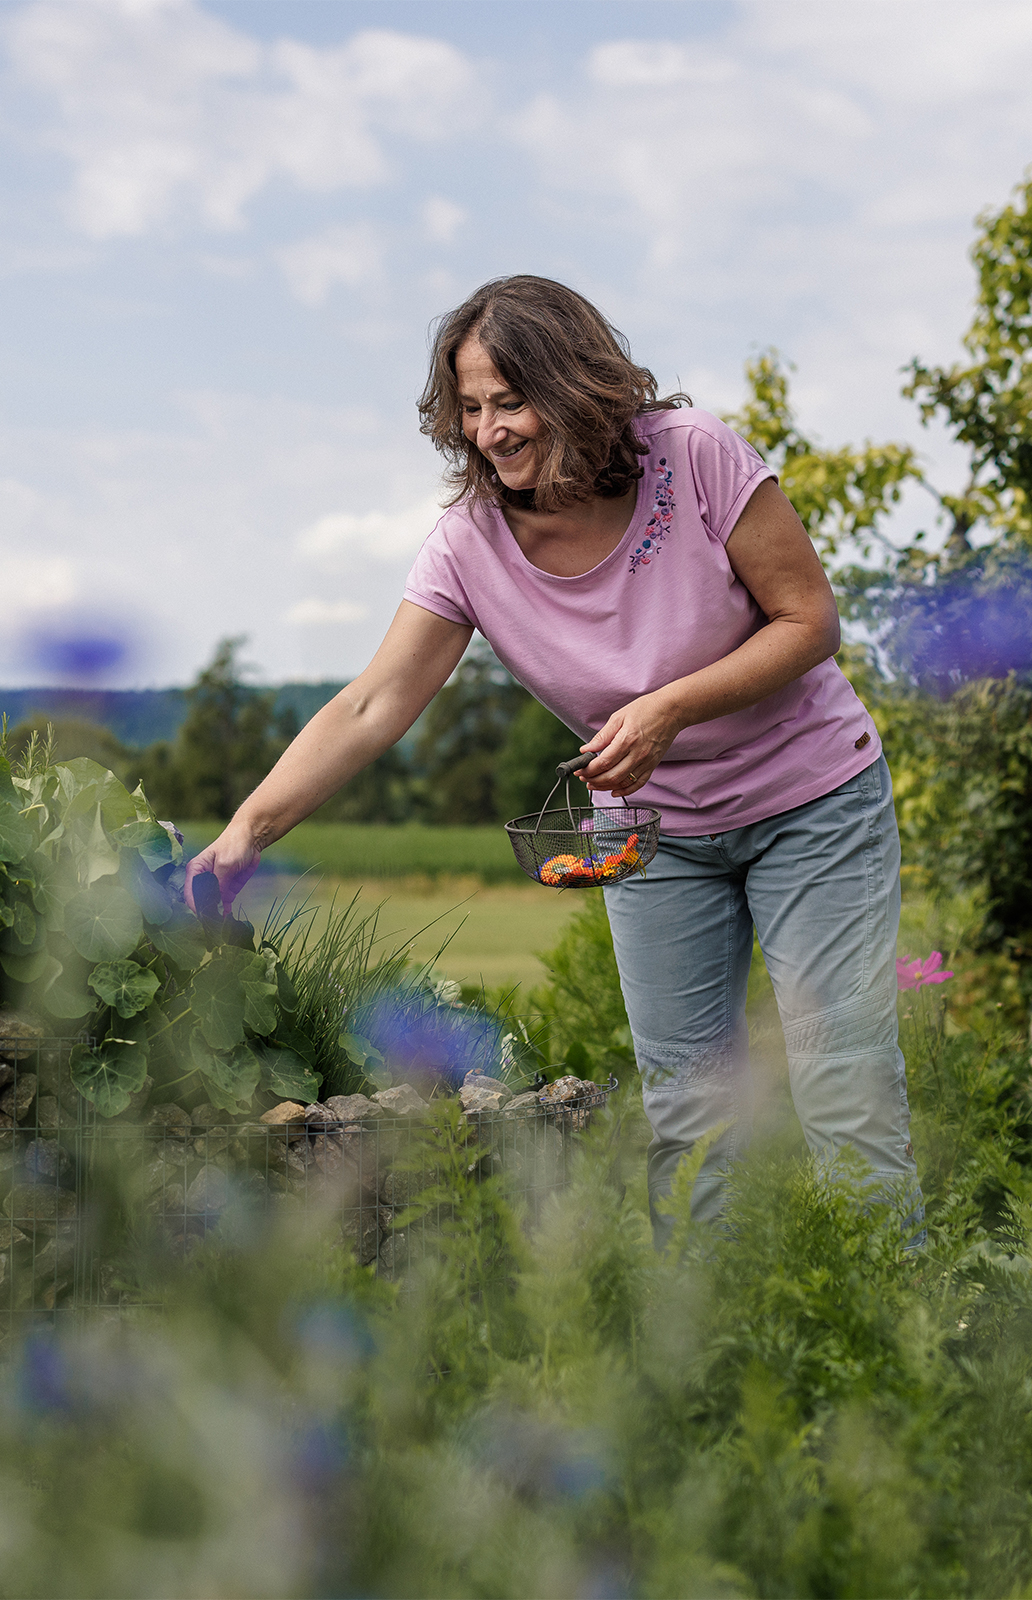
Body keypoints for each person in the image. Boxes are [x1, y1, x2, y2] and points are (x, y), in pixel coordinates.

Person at [183, 275, 915, 1242]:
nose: (491, 430)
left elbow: (808, 621)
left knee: (841, 1087)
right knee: (691, 1115)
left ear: (575, 384)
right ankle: (709, 1360)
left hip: (812, 802)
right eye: (472, 408)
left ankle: (899, 1350)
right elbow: (370, 706)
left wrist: (669, 710)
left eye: (511, 401)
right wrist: (247, 832)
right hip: (658, 841)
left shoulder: (693, 459)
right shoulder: (468, 546)